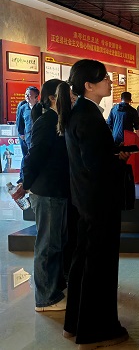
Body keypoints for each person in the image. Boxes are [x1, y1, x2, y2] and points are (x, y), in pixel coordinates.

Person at [57, 59, 130, 349]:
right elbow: (95, 165)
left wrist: (111, 155)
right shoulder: (88, 116)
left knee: (84, 261)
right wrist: (117, 162)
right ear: (89, 85)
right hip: (98, 201)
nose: (110, 82)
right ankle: (95, 332)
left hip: (87, 200)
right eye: (105, 78)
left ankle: (75, 325)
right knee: (98, 266)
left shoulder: (81, 112)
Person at [13, 79, 70, 312]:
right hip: (47, 191)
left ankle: (55, 288)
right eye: (66, 93)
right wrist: (25, 183)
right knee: (47, 245)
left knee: (56, 242)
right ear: (53, 98)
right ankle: (45, 298)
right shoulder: (46, 122)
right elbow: (34, 156)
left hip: (57, 190)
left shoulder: (58, 120)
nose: (71, 98)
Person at [16, 86, 39, 180]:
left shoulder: (40, 107)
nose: (27, 96)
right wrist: (21, 134)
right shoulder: (23, 108)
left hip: (37, 136)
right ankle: (23, 178)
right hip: (27, 137)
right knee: (26, 157)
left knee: (35, 157)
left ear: (36, 96)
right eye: (26, 94)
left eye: (29, 95)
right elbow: (19, 122)